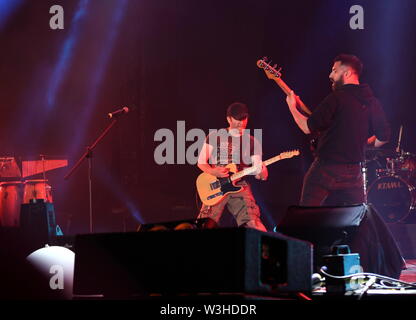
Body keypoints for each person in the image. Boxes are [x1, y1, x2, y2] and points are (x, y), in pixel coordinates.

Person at [285, 54, 390, 206]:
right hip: (354, 172)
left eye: (334, 71)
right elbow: (383, 136)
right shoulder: (372, 102)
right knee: (353, 218)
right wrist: (363, 145)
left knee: (306, 215)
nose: (330, 75)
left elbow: (307, 127)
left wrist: (292, 106)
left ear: (347, 73)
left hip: (326, 169)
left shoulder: (336, 98)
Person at [196, 102, 268, 231]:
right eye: (237, 122)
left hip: (240, 186)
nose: (241, 125)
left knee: (253, 223)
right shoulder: (214, 136)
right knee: (204, 225)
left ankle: (266, 249)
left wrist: (261, 171)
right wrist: (214, 171)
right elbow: (201, 162)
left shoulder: (252, 141)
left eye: (244, 121)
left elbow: (260, 174)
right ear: (229, 119)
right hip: (216, 186)